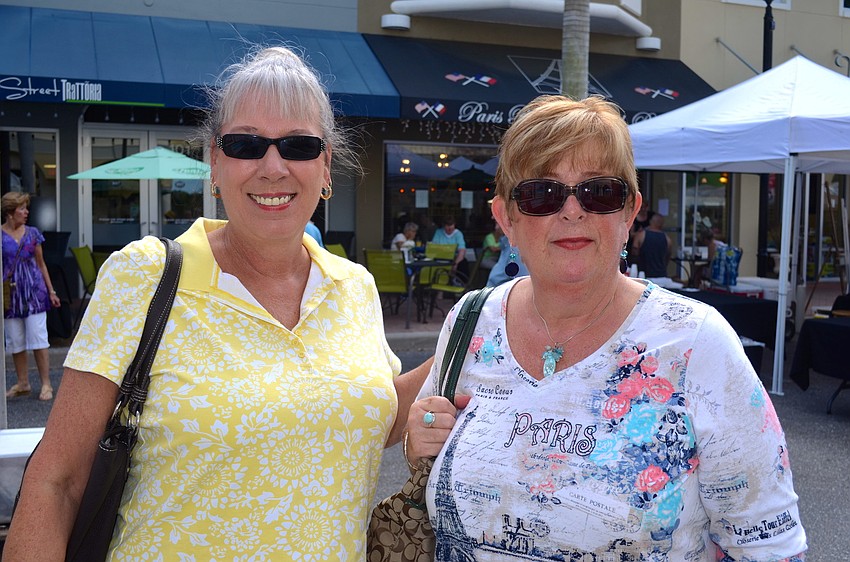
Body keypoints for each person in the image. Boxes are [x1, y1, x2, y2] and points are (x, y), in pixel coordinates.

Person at [6, 46, 429, 560]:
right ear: (214, 160)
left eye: (298, 145)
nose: (272, 166)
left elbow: (368, 414)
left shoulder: (354, 286)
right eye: (245, 144)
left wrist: (478, 327)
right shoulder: (144, 276)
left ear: (325, 168)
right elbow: (57, 480)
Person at [404, 95, 807, 560]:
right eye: (541, 194)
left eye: (599, 192)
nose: (572, 211)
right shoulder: (469, 321)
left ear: (629, 212)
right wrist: (419, 439)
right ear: (505, 219)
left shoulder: (695, 343)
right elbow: (432, 455)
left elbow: (769, 545)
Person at [2, 192, 62, 401]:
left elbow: (41, 264)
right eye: (22, 209)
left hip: (35, 292)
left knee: (38, 339)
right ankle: (22, 382)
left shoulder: (33, 233)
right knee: (15, 341)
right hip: (11, 294)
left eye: (27, 208)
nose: (26, 212)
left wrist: (51, 291)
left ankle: (46, 384)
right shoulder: (0, 236)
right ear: (10, 212)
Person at [631, 212, 672, 278]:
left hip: (643, 275)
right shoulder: (667, 239)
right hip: (662, 276)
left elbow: (634, 253)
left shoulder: (641, 235)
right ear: (662, 224)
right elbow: (668, 257)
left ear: (650, 222)